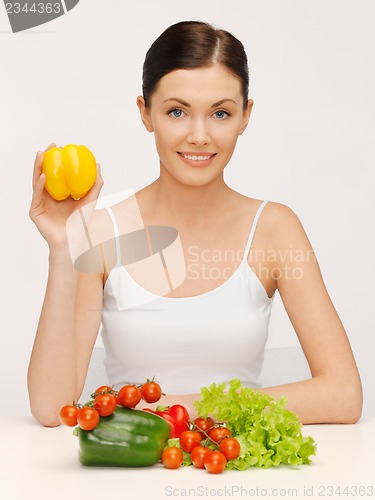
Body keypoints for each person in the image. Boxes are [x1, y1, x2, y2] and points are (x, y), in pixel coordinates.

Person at [28, 20, 362, 427]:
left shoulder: (274, 227)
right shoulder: (103, 230)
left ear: (245, 116)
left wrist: (183, 409)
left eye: (220, 112)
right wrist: (64, 247)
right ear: (146, 113)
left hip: (239, 471)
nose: (199, 135)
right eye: (177, 112)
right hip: (134, 477)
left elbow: (344, 394)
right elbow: (51, 407)